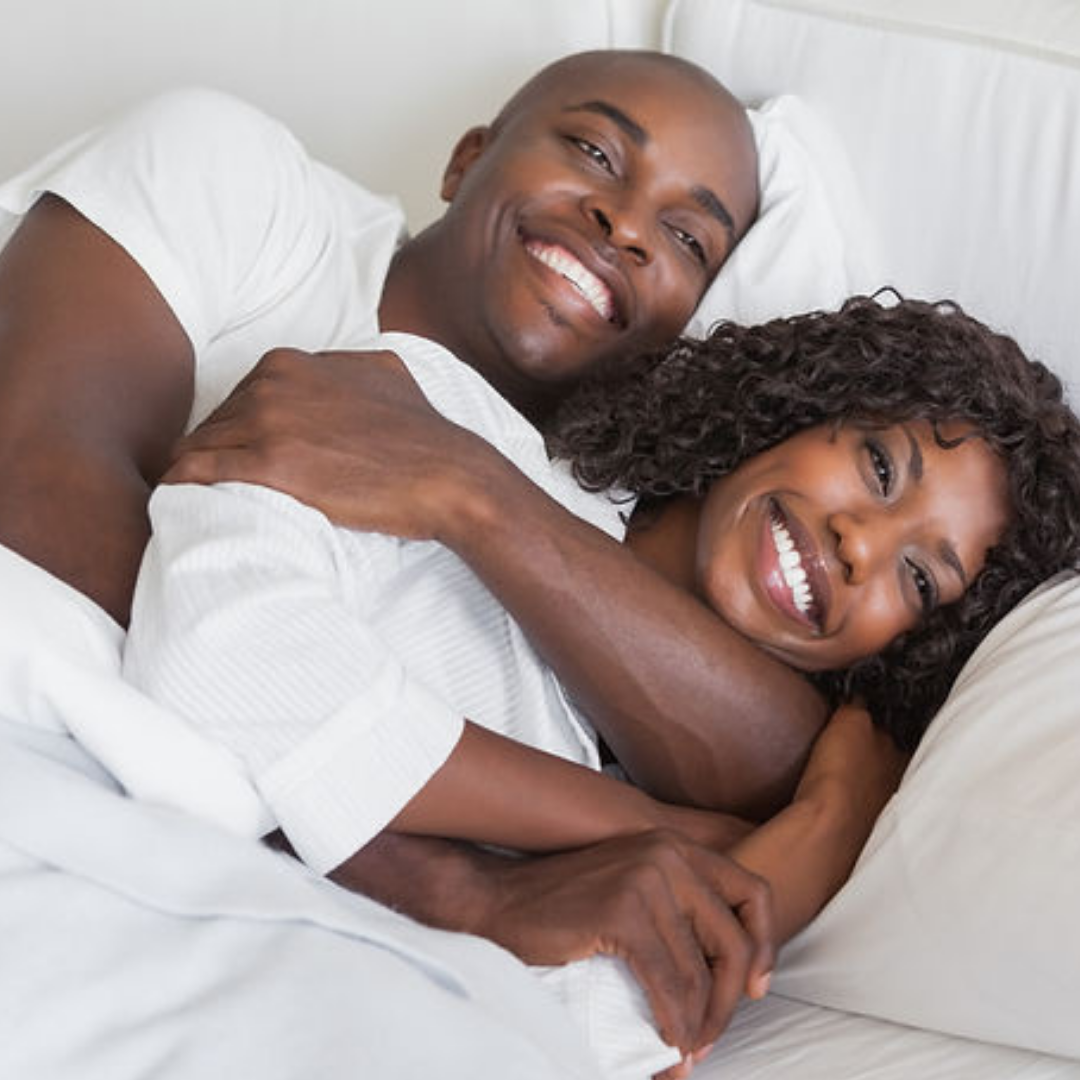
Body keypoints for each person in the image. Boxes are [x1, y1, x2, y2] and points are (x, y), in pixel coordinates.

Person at [0, 51, 823, 1074]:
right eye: (593, 150)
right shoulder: (237, 177)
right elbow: (37, 487)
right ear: (467, 157)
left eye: (687, 236)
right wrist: (450, 883)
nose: (623, 223)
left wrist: (468, 494)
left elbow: (763, 762)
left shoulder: (589, 514)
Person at [125, 293, 1080, 1076]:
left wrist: (817, 835)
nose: (861, 543)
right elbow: (216, 652)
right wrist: (677, 844)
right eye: (877, 465)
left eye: (921, 581)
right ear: (799, 408)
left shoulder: (704, 846)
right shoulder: (441, 412)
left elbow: (579, 1043)